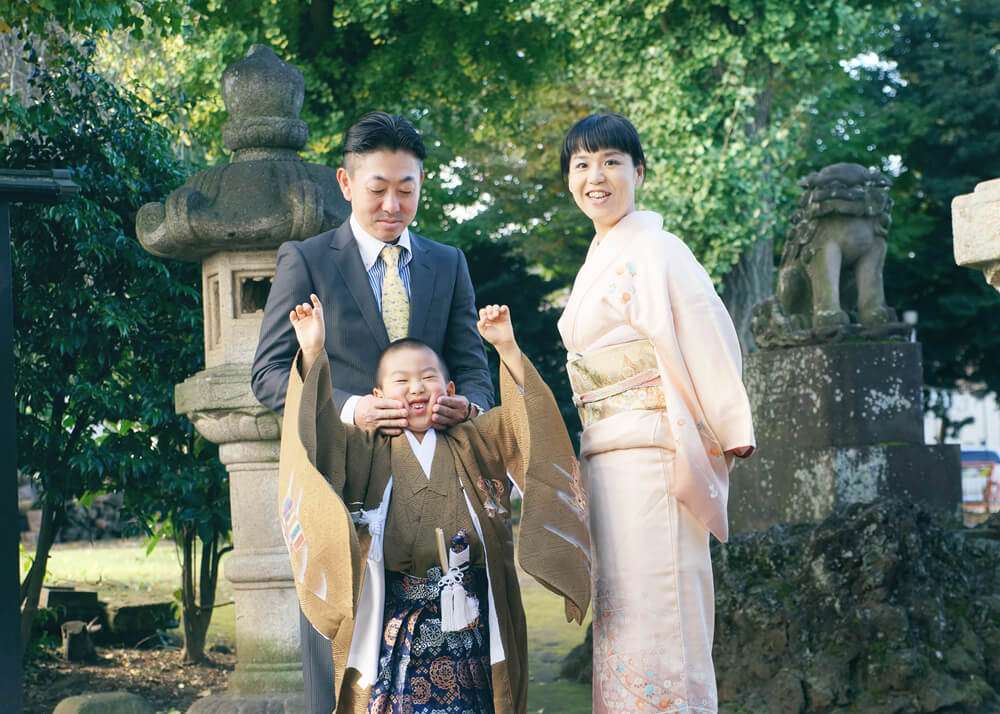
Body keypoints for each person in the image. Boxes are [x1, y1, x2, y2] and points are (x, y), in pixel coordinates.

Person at [251, 112, 495, 713]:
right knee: (346, 660)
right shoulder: (306, 259)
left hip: (437, 490)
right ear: (345, 183)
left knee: (449, 659)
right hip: (344, 488)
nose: (393, 203)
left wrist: (471, 406)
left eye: (406, 188)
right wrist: (353, 408)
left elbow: (475, 366)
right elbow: (269, 375)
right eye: (377, 188)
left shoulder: (449, 262)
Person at [277, 295, 591, 714]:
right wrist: (314, 351)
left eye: (428, 377)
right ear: (378, 395)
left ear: (451, 390)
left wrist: (506, 348)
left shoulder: (475, 438)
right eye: (401, 381)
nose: (416, 388)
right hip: (394, 627)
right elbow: (316, 442)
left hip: (473, 625)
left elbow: (527, 429)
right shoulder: (364, 448)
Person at [556, 113, 755, 713]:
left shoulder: (659, 248)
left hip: (652, 459)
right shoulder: (599, 259)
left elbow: (709, 329)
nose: (597, 177)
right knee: (622, 619)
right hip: (605, 462)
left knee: (663, 616)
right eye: (582, 165)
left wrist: (728, 428)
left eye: (612, 162)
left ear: (638, 172)